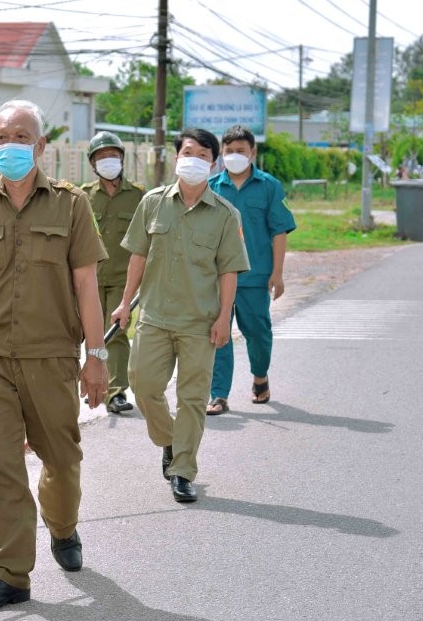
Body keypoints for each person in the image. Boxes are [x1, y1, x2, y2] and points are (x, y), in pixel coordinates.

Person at [0, 99, 109, 614]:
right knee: (1, 466)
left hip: (52, 358)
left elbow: (87, 286)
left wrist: (96, 355)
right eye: (0, 137)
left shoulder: (71, 204)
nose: (9, 145)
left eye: (20, 137)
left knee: (61, 461)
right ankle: (9, 574)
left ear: (40, 146)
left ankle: (63, 527)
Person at [110, 128, 249, 503]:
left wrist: (224, 319)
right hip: (154, 316)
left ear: (214, 164)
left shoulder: (224, 214)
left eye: (203, 155)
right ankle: (170, 441)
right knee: (143, 386)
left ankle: (183, 469)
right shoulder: (152, 203)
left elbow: (229, 271)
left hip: (199, 323)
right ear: (176, 158)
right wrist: (125, 303)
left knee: (192, 398)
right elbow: (137, 256)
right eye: (188, 152)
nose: (195, 160)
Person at [205, 125, 296, 415]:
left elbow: (279, 231)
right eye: (229, 151)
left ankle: (260, 376)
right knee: (218, 334)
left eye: (240, 151)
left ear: (252, 153)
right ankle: (218, 394)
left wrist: (277, 273)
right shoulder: (211, 187)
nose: (234, 156)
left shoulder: (269, 186)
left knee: (257, 332)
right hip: (217, 278)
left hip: (255, 277)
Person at [81, 131, 145, 414]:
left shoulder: (140, 197)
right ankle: (91, 381)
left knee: (116, 332)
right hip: (88, 280)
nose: (108, 161)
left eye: (112, 156)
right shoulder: (82, 196)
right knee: (88, 333)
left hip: (123, 279)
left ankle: (115, 392)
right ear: (93, 163)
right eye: (101, 157)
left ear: (122, 159)